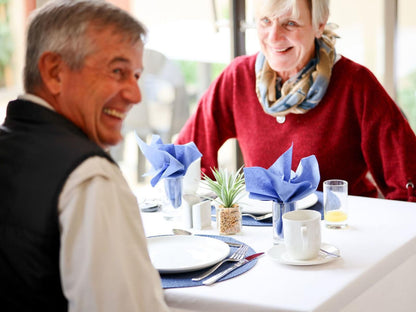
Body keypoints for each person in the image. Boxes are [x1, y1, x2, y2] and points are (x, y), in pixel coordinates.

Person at [0, 1, 174, 311]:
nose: (135, 95)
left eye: (136, 75)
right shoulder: (90, 177)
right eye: (118, 71)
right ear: (55, 72)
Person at [176, 0, 416, 202]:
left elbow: (407, 178)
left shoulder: (356, 83)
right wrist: (218, 209)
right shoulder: (239, 77)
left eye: (290, 23)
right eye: (265, 21)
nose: (274, 37)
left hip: (341, 232)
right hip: (264, 234)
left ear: (319, 25)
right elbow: (187, 155)